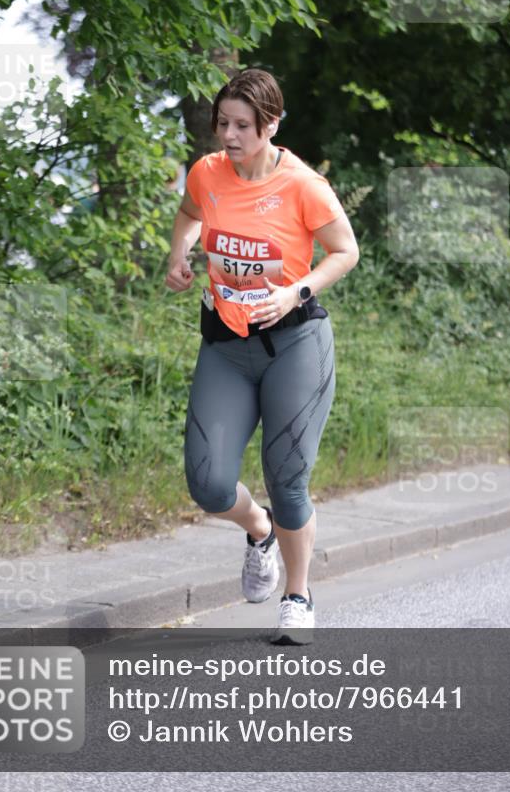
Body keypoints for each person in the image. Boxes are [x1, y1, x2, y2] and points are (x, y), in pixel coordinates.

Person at [165, 68, 359, 644]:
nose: (228, 135)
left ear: (271, 124)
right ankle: (258, 531)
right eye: (222, 122)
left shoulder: (304, 185)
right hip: (226, 345)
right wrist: (179, 253)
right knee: (207, 482)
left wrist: (295, 290)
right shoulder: (208, 173)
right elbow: (190, 213)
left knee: (287, 478)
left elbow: (345, 251)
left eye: (242, 126)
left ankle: (297, 596)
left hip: (294, 344)